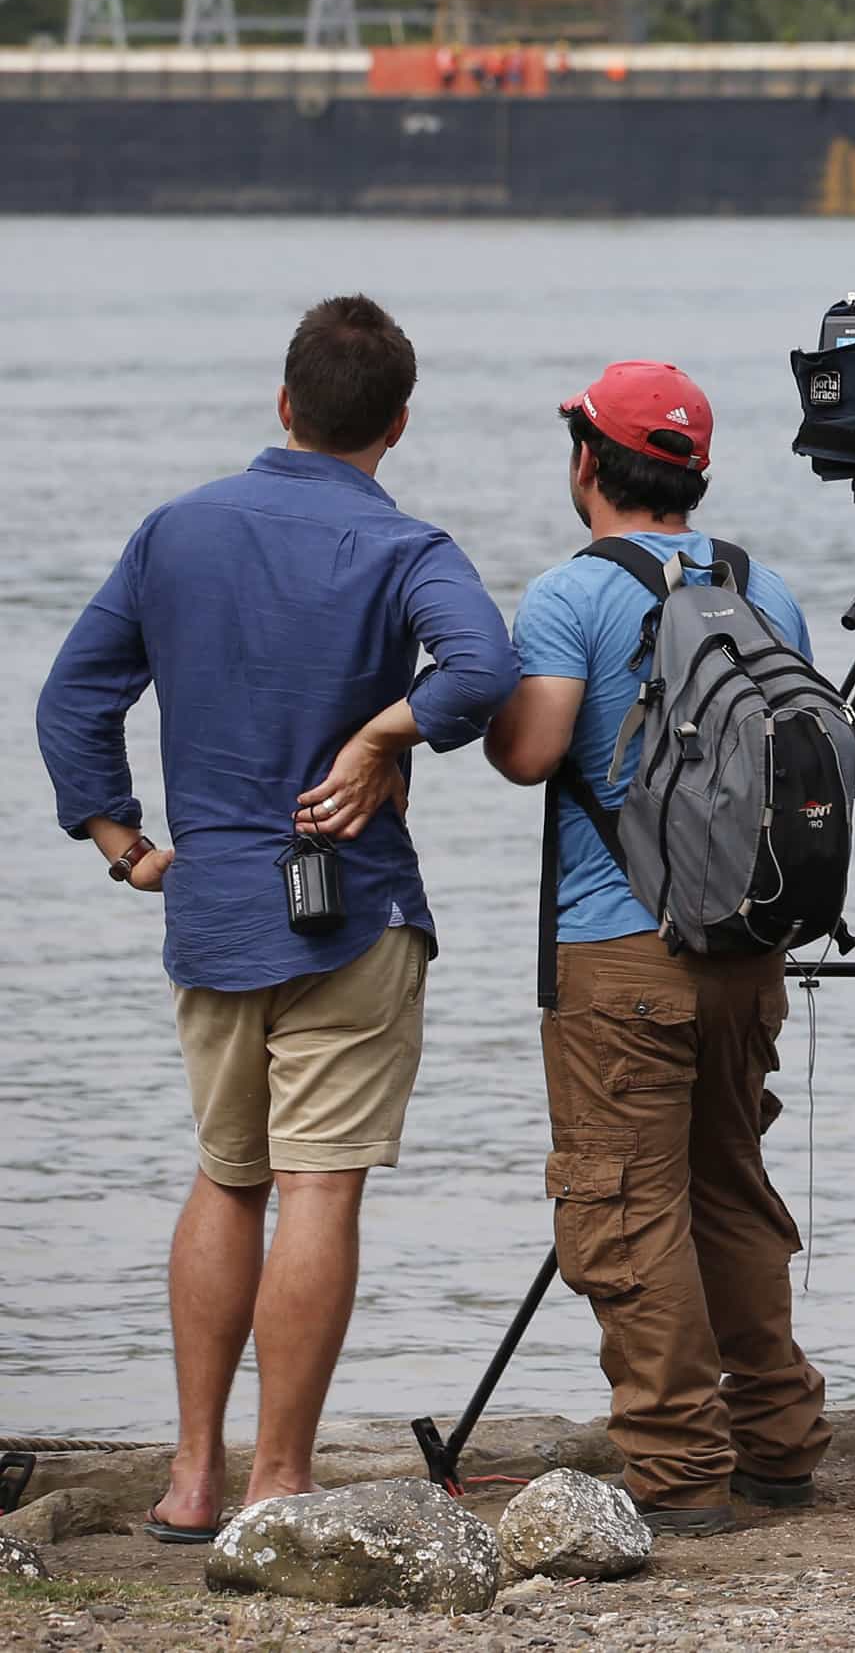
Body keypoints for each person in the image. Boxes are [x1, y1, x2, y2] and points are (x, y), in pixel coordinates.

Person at [32, 296, 516, 1540]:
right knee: (320, 1189)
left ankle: (191, 1478)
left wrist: (126, 847)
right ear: (396, 426)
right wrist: (382, 730)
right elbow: (482, 670)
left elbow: (70, 702)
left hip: (211, 911)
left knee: (226, 1178)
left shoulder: (176, 531)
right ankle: (278, 1480)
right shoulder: (412, 550)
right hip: (352, 911)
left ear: (284, 401)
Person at [482, 363, 832, 1534]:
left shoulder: (568, 595)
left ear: (587, 461)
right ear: (695, 472)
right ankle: (780, 1445)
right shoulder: (761, 587)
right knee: (729, 1190)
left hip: (620, 955)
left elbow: (530, 755)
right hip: (745, 947)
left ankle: (679, 1474)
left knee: (625, 1210)